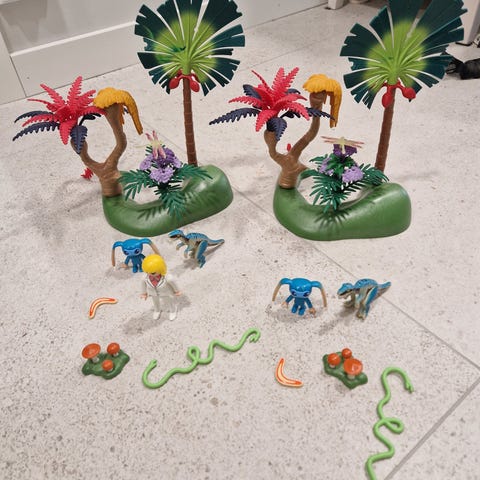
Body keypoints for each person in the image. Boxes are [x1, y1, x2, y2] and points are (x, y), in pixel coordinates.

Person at [140, 254, 181, 320]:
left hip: (166, 293)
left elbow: (173, 284)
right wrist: (144, 293)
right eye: (147, 272)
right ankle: (157, 310)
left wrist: (177, 291)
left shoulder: (168, 278)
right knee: (155, 302)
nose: (149, 274)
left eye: (153, 273)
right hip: (153, 293)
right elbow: (143, 285)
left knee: (169, 302)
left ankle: (173, 310)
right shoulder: (144, 277)